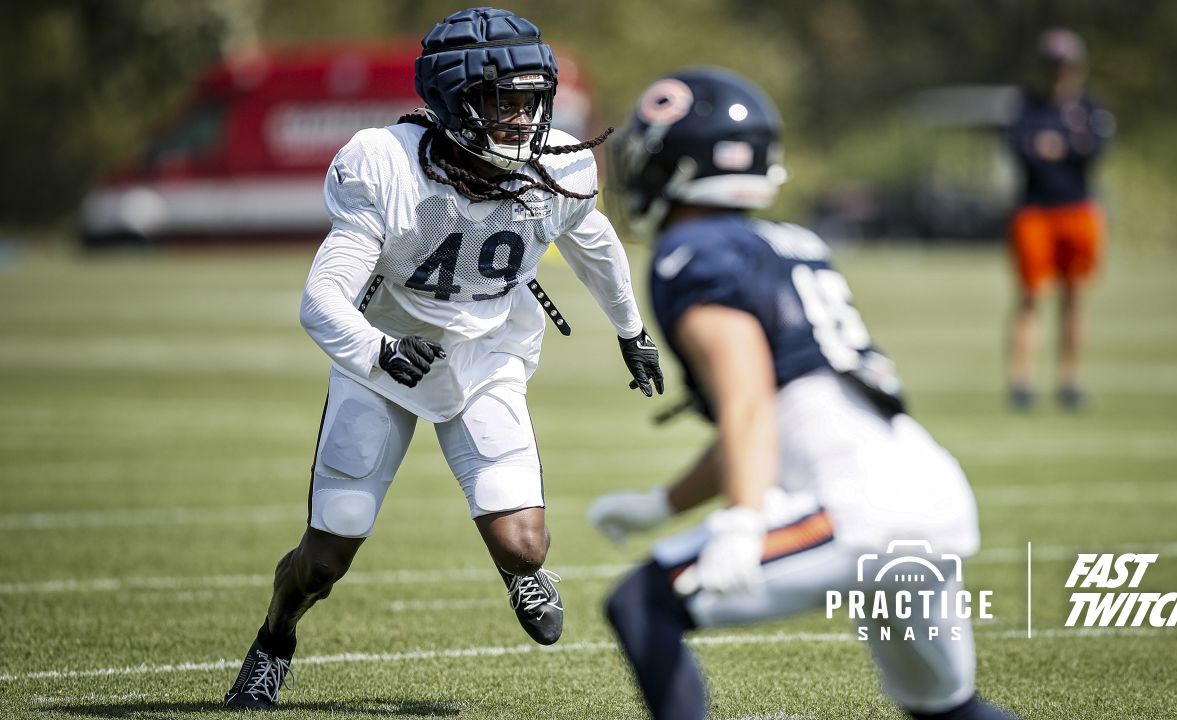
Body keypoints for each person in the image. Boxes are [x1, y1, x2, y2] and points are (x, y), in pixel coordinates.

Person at [223, 7, 663, 710]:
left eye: (532, 101)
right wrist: (379, 350)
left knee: (524, 545)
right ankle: (276, 637)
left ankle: (520, 572)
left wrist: (630, 330)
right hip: (384, 362)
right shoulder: (386, 164)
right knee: (326, 558)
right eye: (504, 102)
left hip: (487, 353)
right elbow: (321, 300)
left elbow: (594, 239)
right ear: (458, 100)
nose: (524, 121)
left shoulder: (559, 166)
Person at [588, 68, 1016, 720]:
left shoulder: (692, 252)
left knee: (641, 604)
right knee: (949, 711)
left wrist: (741, 518)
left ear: (676, 163)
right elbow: (771, 416)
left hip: (860, 511)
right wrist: (659, 505)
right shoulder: (790, 242)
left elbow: (749, 398)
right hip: (930, 493)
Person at [1006, 28, 1114, 411]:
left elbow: (1095, 150)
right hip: (1035, 211)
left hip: (1078, 210)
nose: (1059, 73)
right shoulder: (1027, 106)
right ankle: (1021, 383)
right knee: (1031, 296)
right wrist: (1065, 147)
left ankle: (1070, 381)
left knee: (1074, 296)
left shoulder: (1089, 108)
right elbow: (1023, 149)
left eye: (1065, 65)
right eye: (1053, 66)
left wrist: (1058, 147)